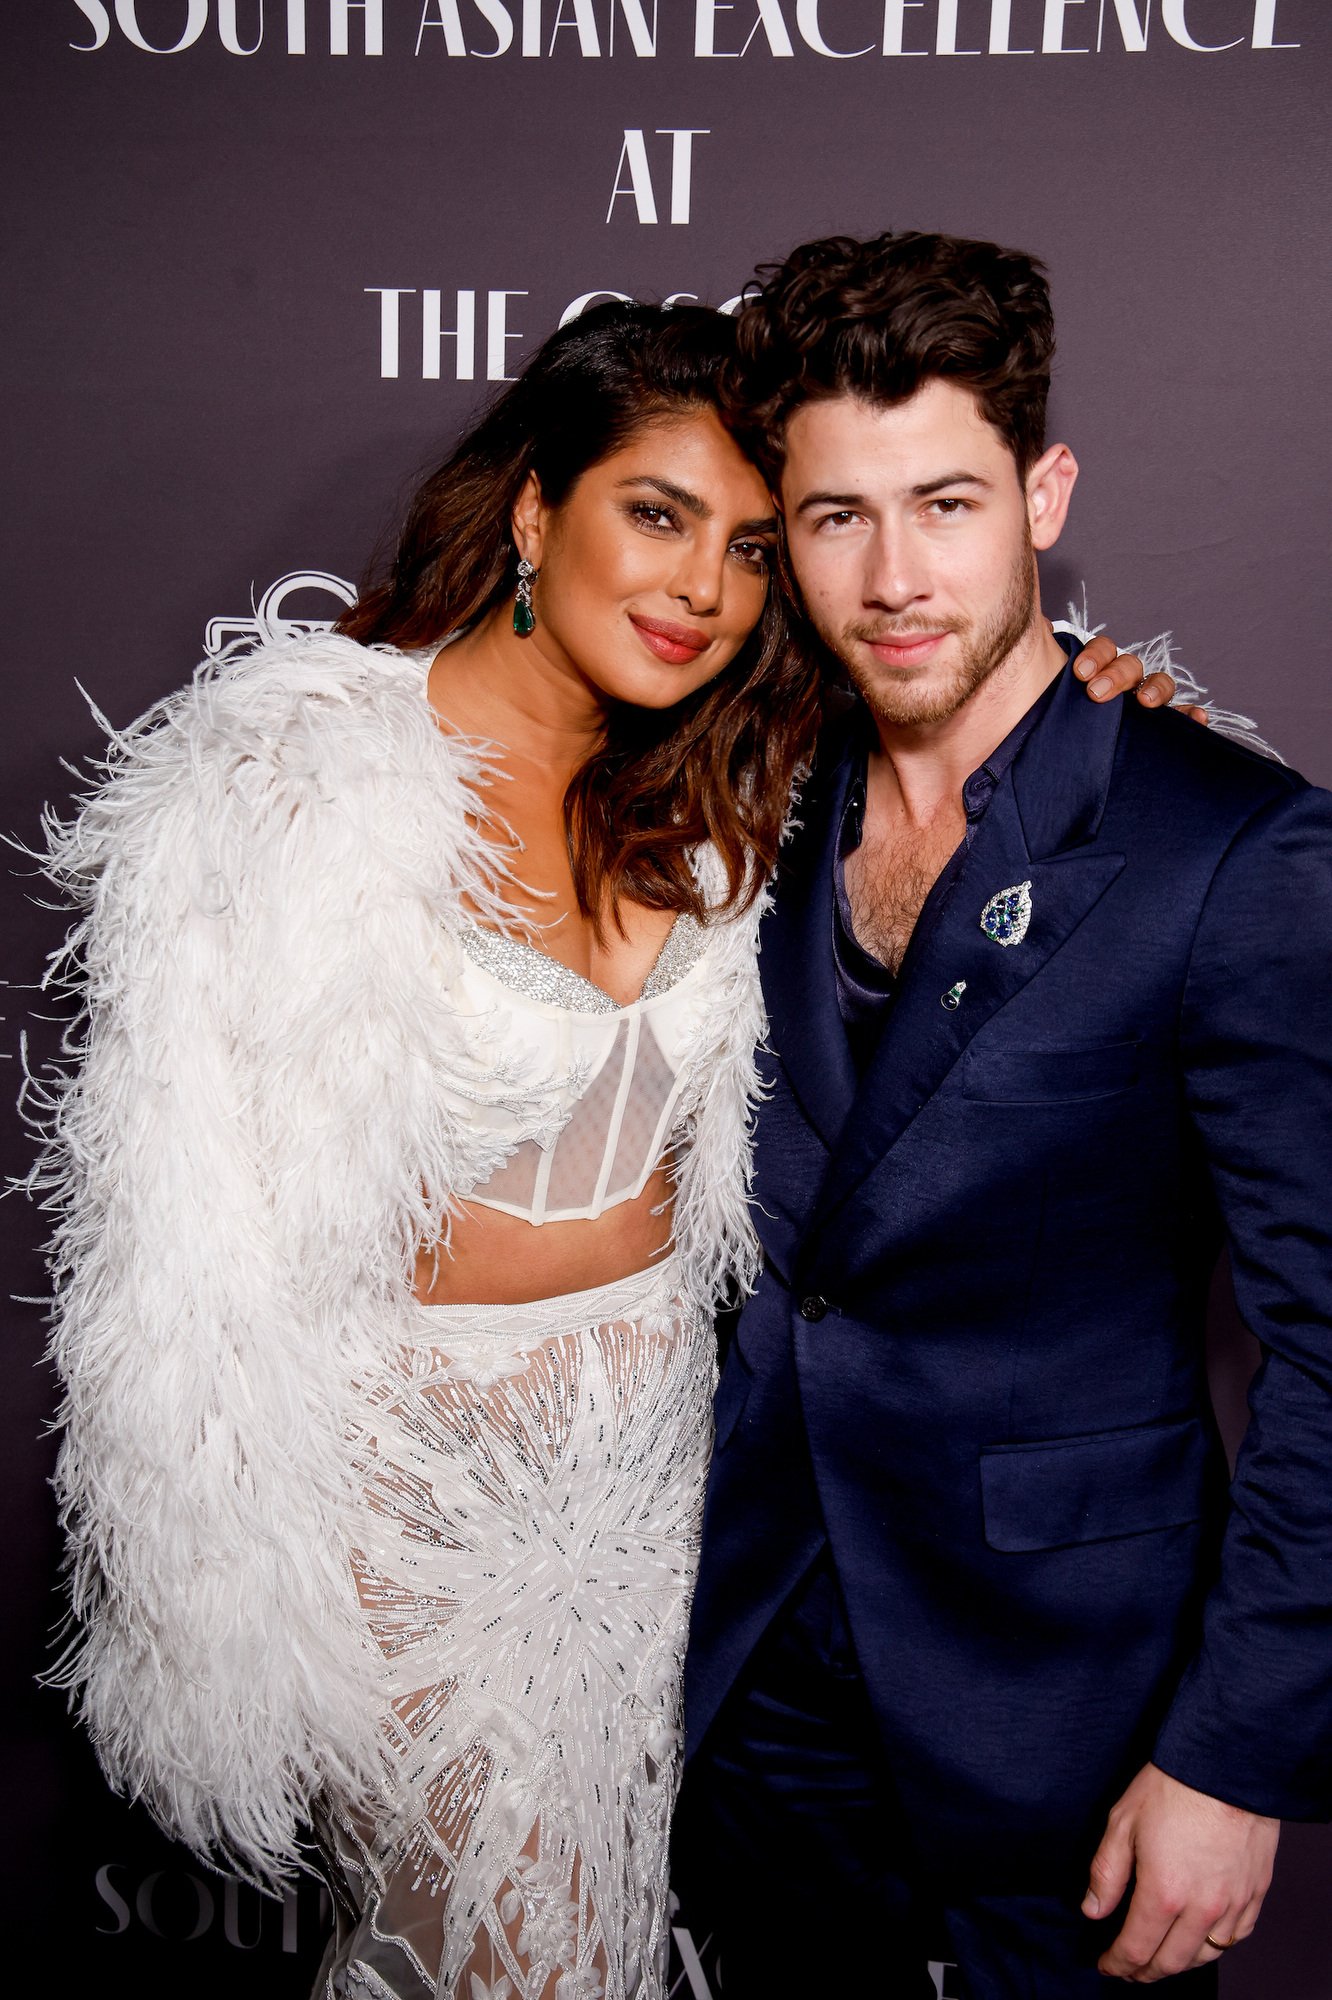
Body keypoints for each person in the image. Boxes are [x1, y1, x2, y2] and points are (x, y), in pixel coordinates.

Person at [29, 298, 1171, 2000]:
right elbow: (177, 1257)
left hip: (662, 1486)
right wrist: (237, 1621)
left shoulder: (739, 778)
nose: (703, 584)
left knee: (637, 1943)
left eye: (754, 545)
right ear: (530, 508)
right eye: (656, 514)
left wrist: (1097, 704)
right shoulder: (297, 783)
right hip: (408, 1505)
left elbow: (971, 796)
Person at [676, 231, 1332, 1998]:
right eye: (835, 518)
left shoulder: (1234, 849)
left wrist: (1233, 1756)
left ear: (1043, 495)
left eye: (946, 503)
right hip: (752, 1693)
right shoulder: (749, 793)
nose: (895, 576)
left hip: (1073, 1714)